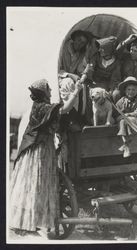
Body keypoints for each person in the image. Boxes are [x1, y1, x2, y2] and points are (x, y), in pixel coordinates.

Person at [9, 79, 82, 238]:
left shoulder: (42, 107)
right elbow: (65, 108)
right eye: (48, 89)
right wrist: (76, 91)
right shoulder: (42, 108)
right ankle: (26, 222)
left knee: (38, 184)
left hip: (42, 146)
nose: (50, 91)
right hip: (38, 149)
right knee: (36, 183)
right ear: (42, 92)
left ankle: (33, 220)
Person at [58, 29, 98, 126]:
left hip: (72, 78)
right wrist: (70, 75)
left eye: (83, 42)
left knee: (82, 86)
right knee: (69, 83)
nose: (80, 44)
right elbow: (57, 70)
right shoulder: (63, 50)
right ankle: (69, 116)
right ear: (74, 39)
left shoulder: (80, 54)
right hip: (61, 78)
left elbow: (82, 69)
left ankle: (80, 116)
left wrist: (84, 73)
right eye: (79, 40)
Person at [116, 76, 137, 158]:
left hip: (133, 120)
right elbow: (116, 112)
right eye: (128, 89)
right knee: (122, 121)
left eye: (133, 90)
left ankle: (126, 145)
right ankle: (126, 145)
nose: (131, 92)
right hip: (122, 120)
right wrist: (121, 116)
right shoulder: (121, 101)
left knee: (128, 120)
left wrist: (128, 114)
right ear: (125, 91)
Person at [91, 36, 122, 100]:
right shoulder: (96, 57)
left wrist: (111, 89)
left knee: (114, 94)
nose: (99, 50)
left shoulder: (116, 62)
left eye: (102, 48)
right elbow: (90, 68)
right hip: (94, 82)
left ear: (108, 49)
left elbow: (115, 78)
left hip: (107, 85)